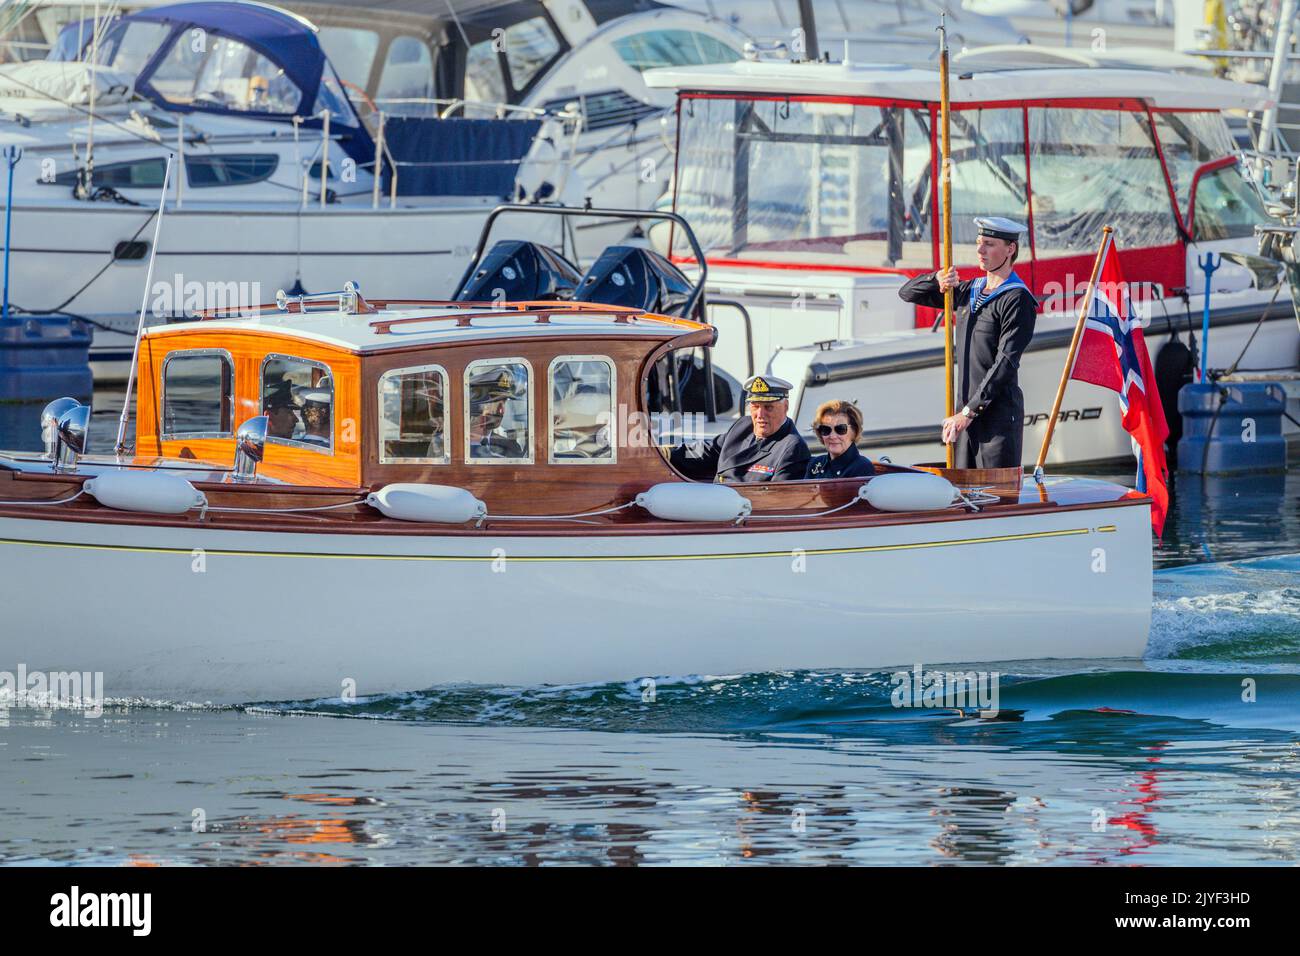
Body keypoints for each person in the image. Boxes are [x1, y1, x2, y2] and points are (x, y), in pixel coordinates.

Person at [897, 216, 1037, 469]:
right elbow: (907, 293)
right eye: (979, 243)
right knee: (962, 495)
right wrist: (936, 279)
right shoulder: (968, 291)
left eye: (989, 244)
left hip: (996, 418)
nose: (980, 250)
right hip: (963, 414)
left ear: (1010, 249)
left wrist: (968, 412)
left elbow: (1005, 363)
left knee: (996, 498)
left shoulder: (1017, 299)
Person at [670, 375, 809, 482]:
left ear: (785, 407)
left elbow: (776, 499)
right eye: (755, 406)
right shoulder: (743, 425)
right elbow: (708, 450)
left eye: (769, 407)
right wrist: (665, 453)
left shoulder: (792, 448)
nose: (760, 415)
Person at [806, 400, 874, 479]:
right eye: (825, 429)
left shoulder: (862, 467)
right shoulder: (815, 464)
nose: (832, 436)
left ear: (854, 431)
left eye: (840, 429)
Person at [468, 366, 526, 459]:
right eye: (496, 402)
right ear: (476, 403)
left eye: (504, 402)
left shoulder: (511, 448)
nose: (502, 410)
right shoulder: (449, 444)